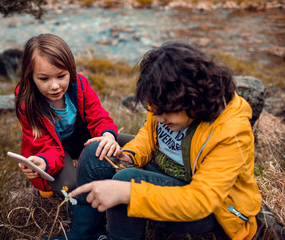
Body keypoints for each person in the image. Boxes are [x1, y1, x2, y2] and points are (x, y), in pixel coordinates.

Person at [63, 41, 261, 240]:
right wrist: (129, 155)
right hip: (160, 171)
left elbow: (200, 201)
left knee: (125, 182)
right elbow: (149, 135)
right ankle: (83, 234)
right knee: (94, 153)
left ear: (192, 99)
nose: (158, 118)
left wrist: (129, 192)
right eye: (155, 110)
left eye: (165, 113)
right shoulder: (162, 97)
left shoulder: (231, 130)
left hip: (208, 208)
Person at [14, 33, 131, 198]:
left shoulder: (80, 85)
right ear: (30, 77)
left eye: (61, 76)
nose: (54, 86)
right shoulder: (27, 104)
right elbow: (43, 145)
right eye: (44, 78)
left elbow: (98, 117)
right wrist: (44, 163)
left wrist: (108, 136)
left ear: (70, 70)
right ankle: (60, 188)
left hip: (81, 137)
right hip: (51, 149)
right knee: (70, 187)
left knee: (132, 144)